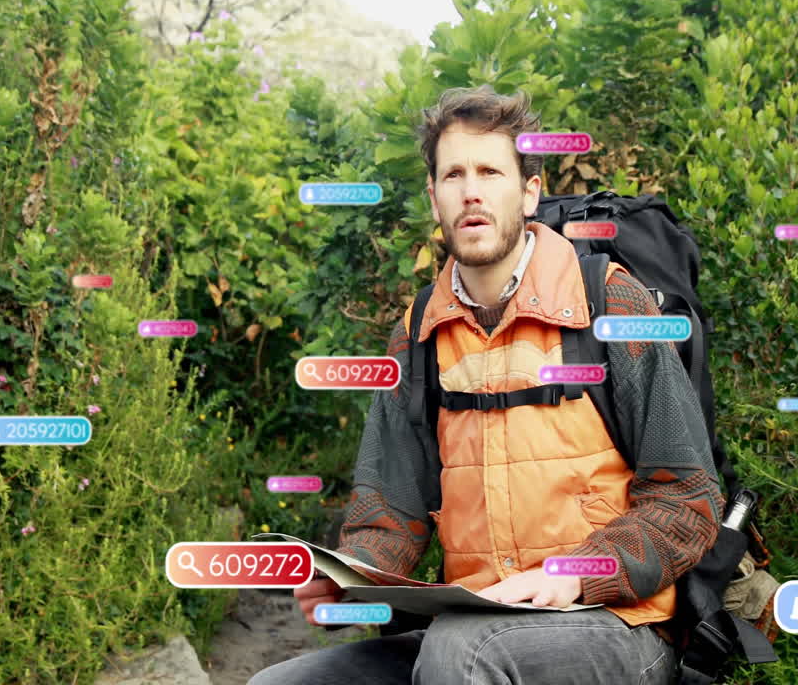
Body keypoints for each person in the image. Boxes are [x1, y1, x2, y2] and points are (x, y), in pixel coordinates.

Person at [250, 85, 724, 685]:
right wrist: (349, 582)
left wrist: (574, 573)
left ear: (528, 192)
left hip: (617, 627)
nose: (471, 190)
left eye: (490, 172)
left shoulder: (608, 301)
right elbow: (387, 515)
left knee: (460, 654)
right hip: (471, 623)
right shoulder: (419, 332)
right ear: (434, 196)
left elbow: (687, 498)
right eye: (453, 174)